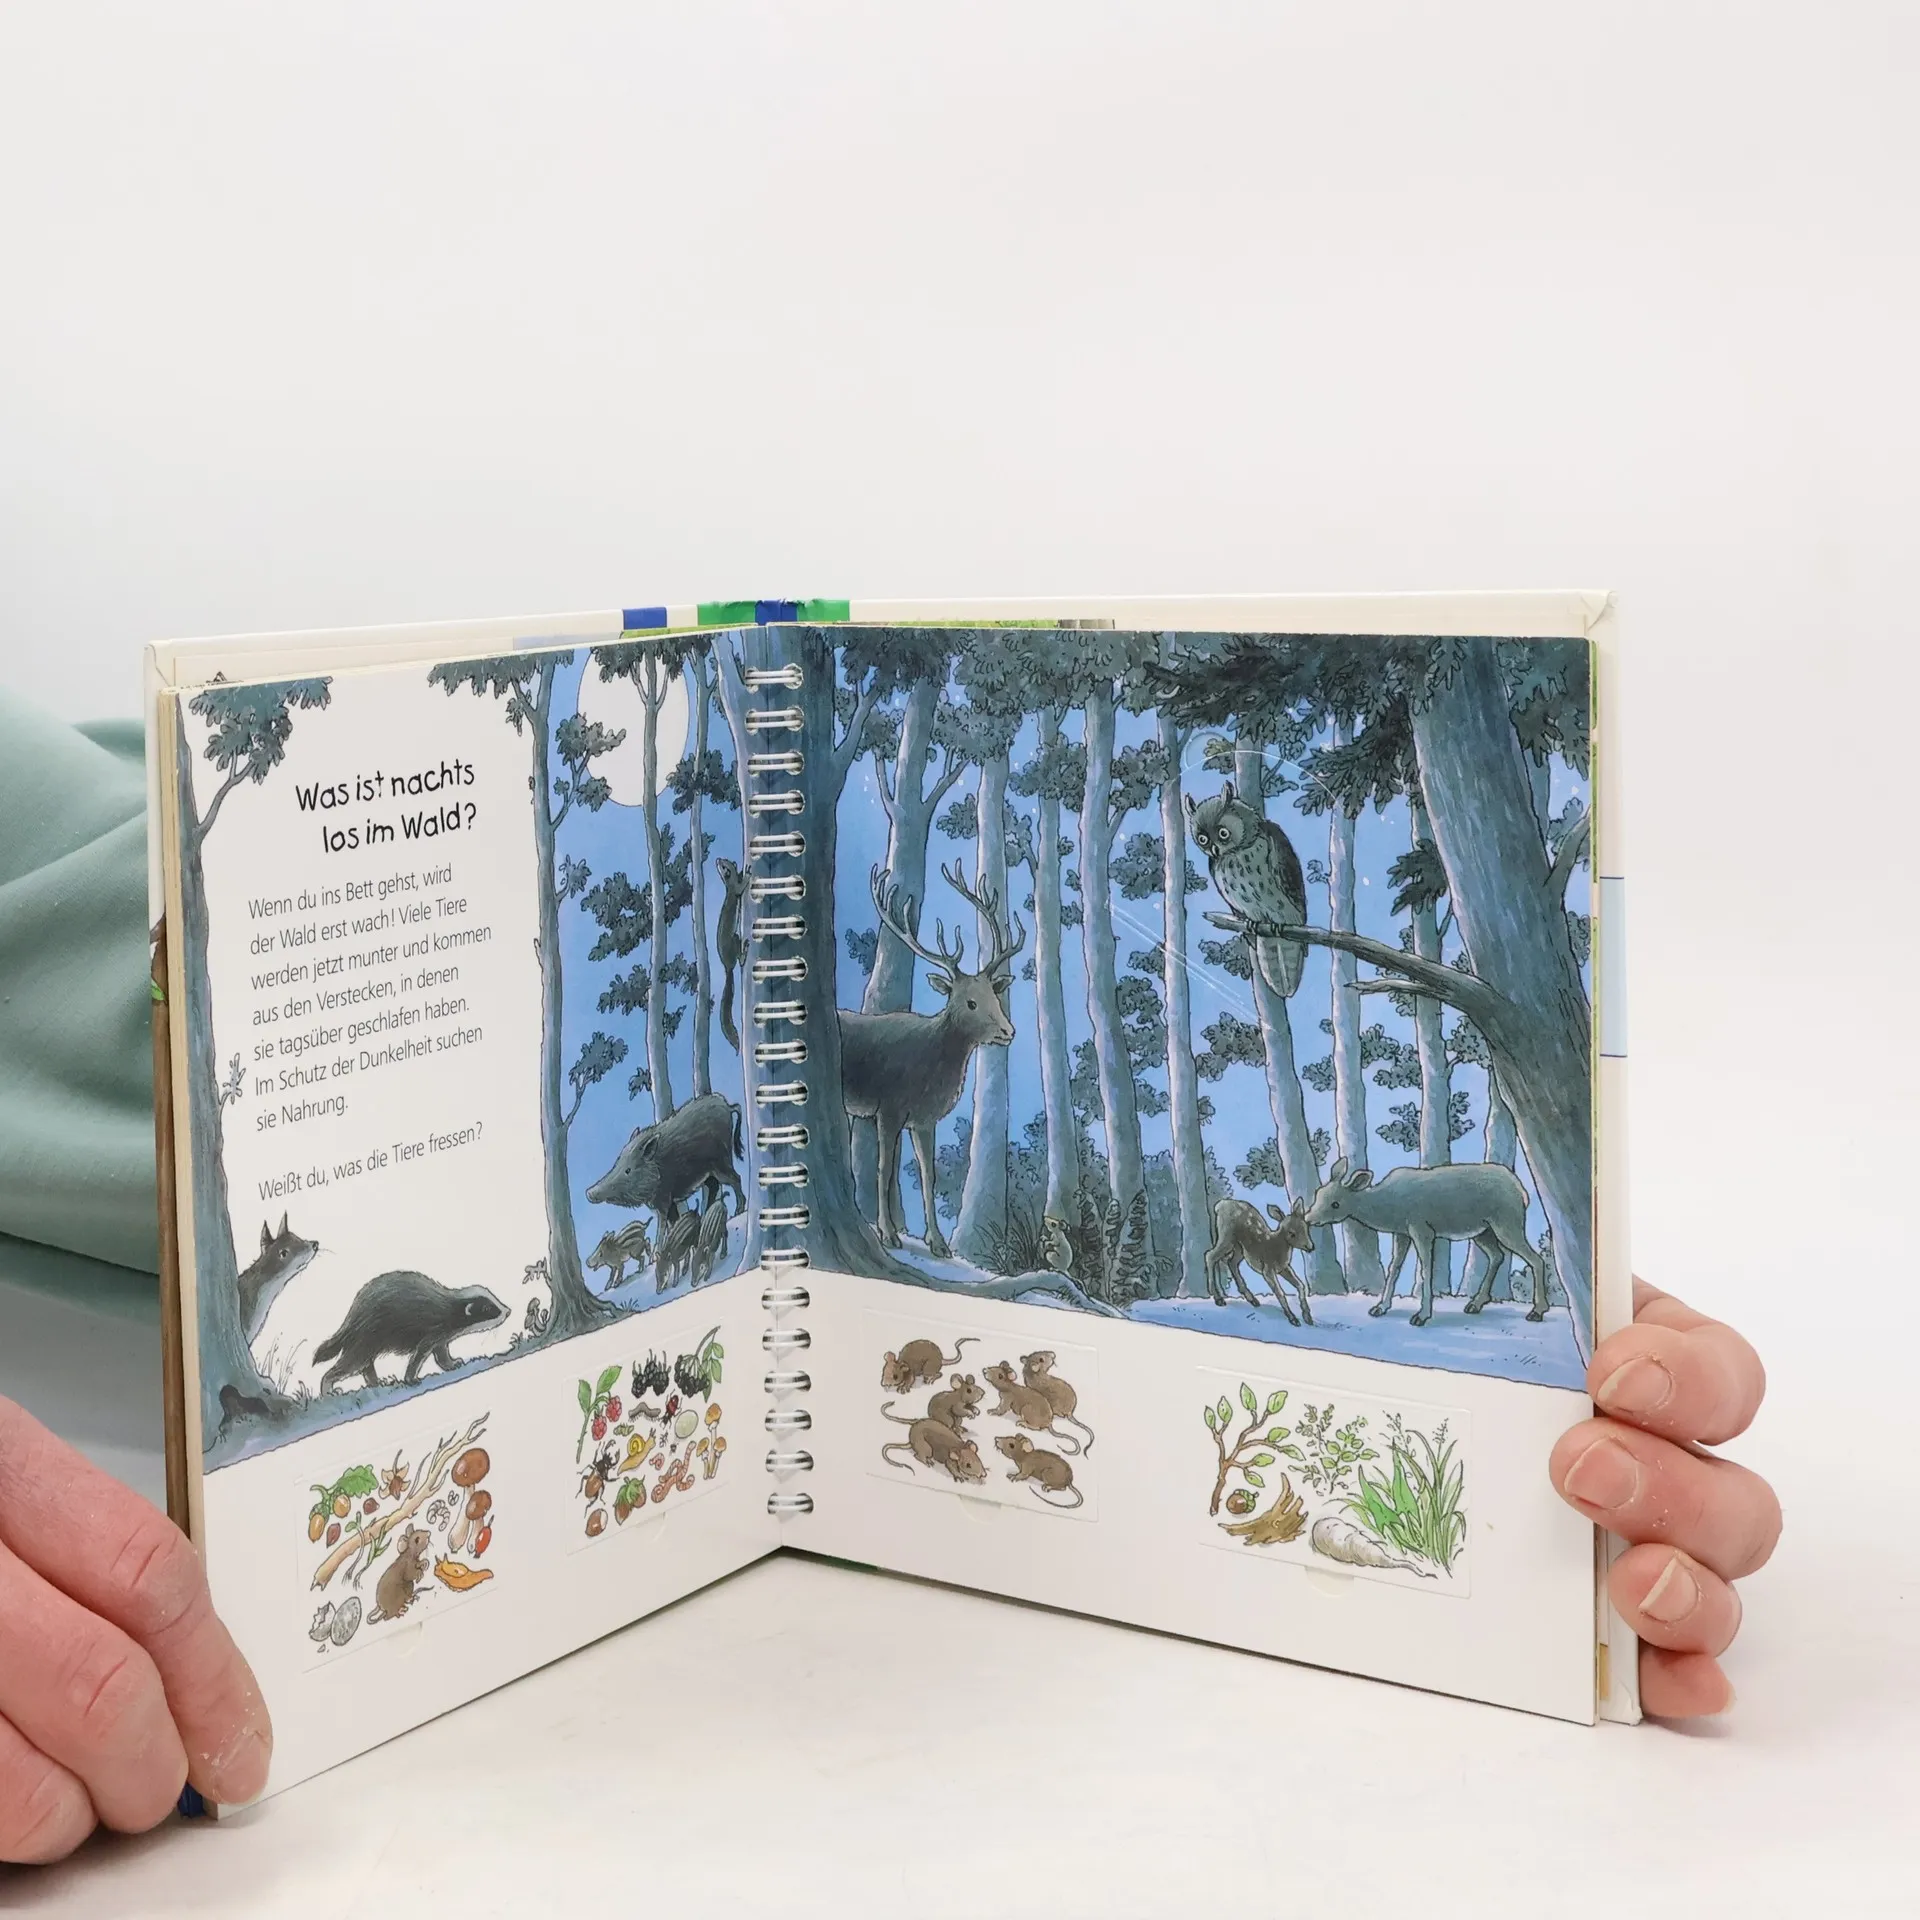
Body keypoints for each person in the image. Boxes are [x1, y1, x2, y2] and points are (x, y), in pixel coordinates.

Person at [0, 691, 1783, 1864]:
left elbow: (91, 880)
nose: (991, 1022)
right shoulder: (885, 1051)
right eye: (982, 1005)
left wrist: (1544, 1298)